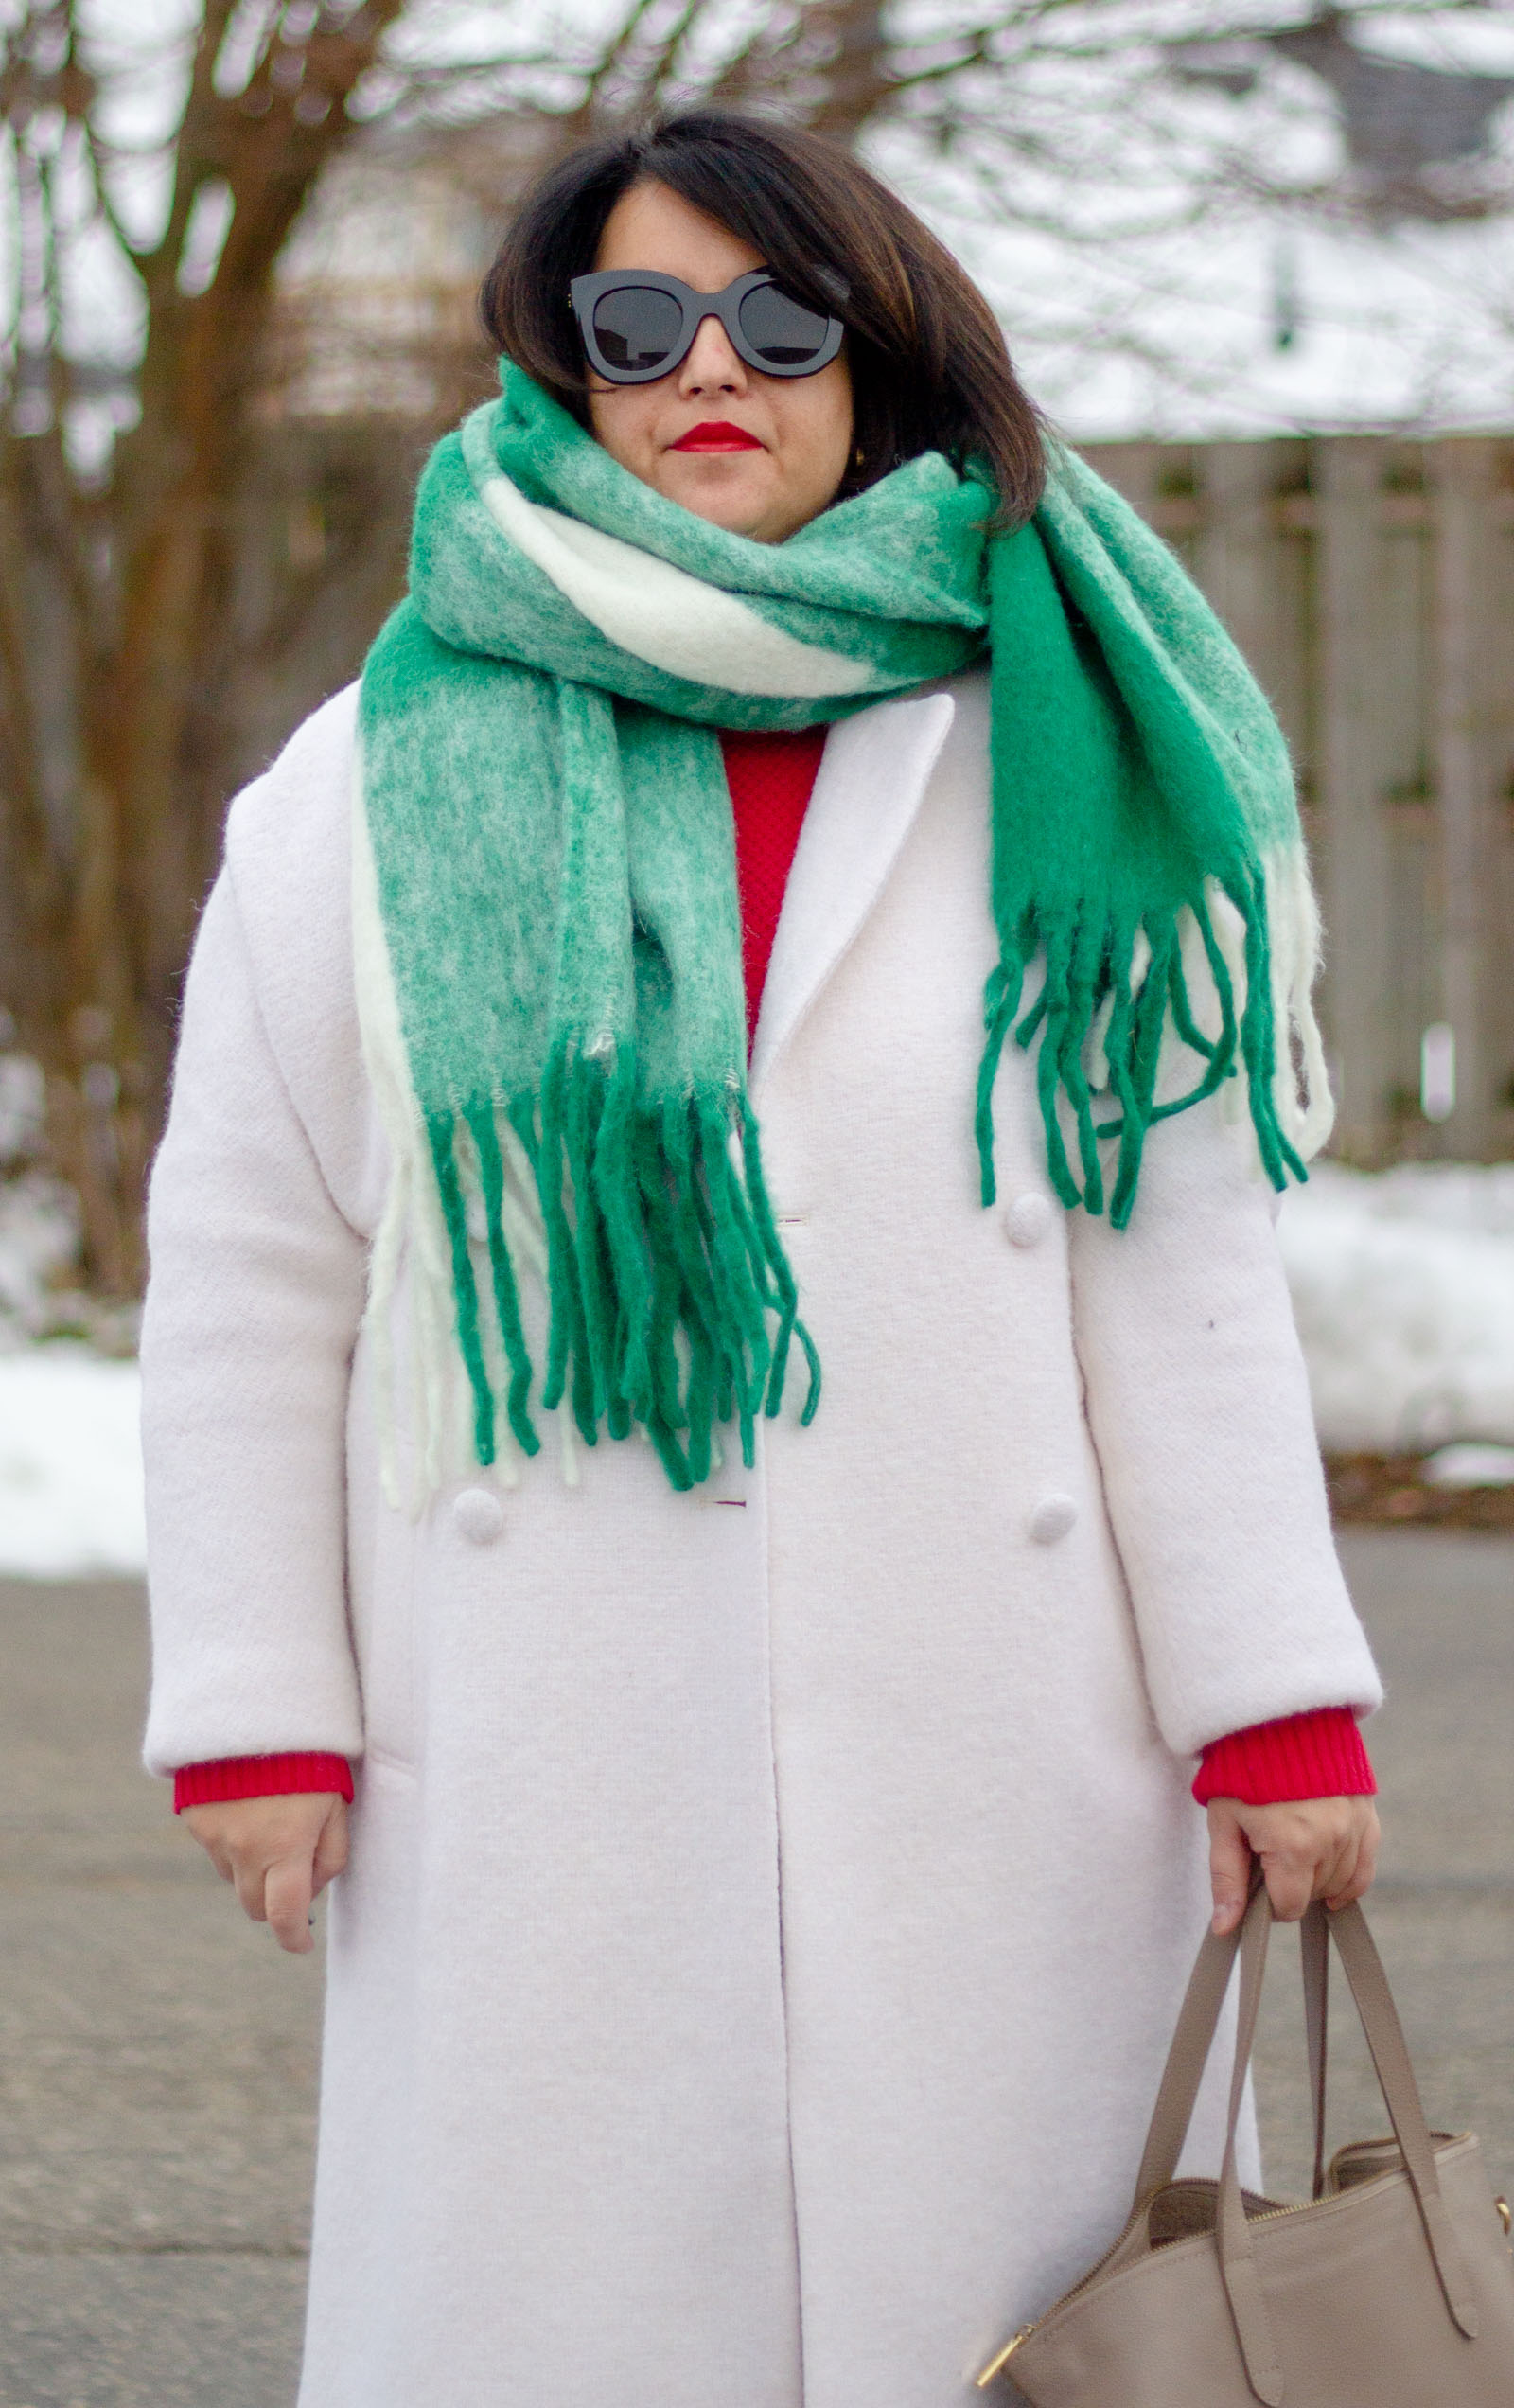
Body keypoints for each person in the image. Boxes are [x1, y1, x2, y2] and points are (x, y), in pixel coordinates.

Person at [143, 110, 1382, 2408]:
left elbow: (1173, 1264)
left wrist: (1271, 1701)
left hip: (1005, 1747)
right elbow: (246, 1269)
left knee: (1010, 2331)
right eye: (641, 321)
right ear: (567, 363)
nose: (709, 368)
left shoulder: (1057, 748)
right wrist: (255, 1716)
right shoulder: (362, 780)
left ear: (871, 345)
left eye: (774, 313)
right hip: (542, 1737)